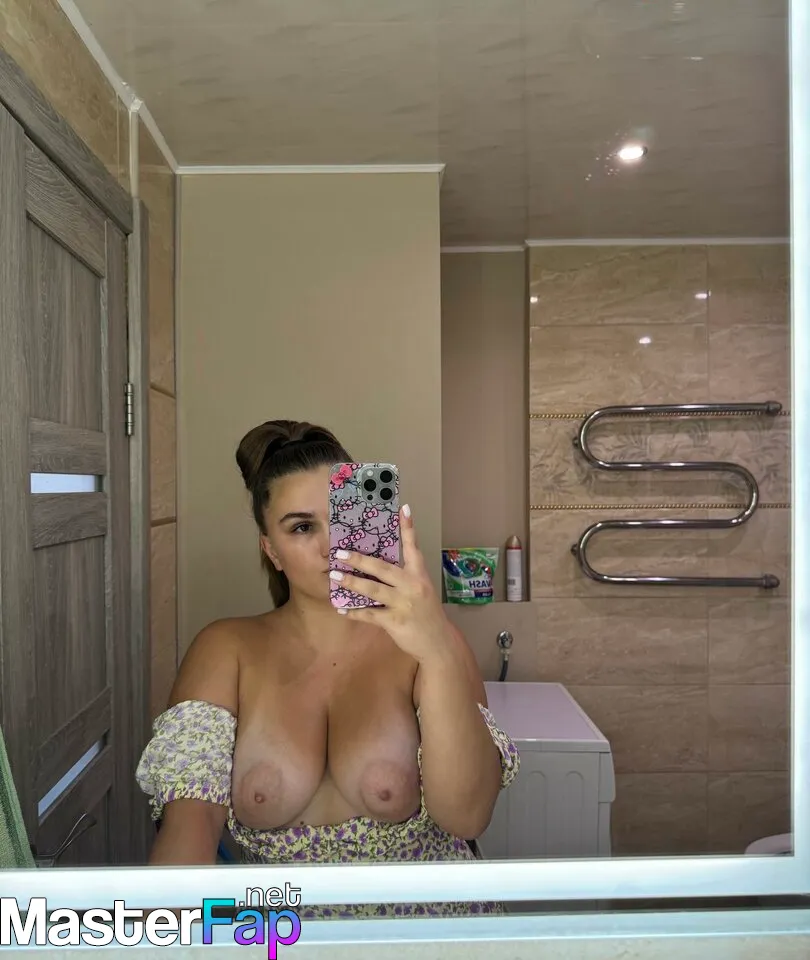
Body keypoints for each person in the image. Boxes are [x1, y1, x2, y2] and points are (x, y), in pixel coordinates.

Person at [136, 419, 520, 919]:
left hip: (433, 934)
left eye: (342, 519)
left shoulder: (429, 644)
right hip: (281, 937)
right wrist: (164, 931)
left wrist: (437, 651)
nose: (330, 546)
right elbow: (188, 830)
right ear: (271, 550)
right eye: (301, 527)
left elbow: (468, 817)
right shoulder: (226, 648)